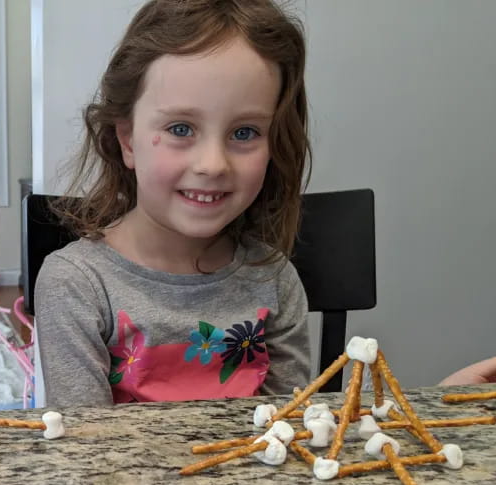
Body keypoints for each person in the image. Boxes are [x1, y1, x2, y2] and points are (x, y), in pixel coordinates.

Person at [35, 0, 311, 407]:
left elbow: (288, 429)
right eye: (181, 128)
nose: (213, 164)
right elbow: (85, 450)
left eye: (245, 132)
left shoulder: (275, 281)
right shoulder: (77, 286)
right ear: (127, 140)